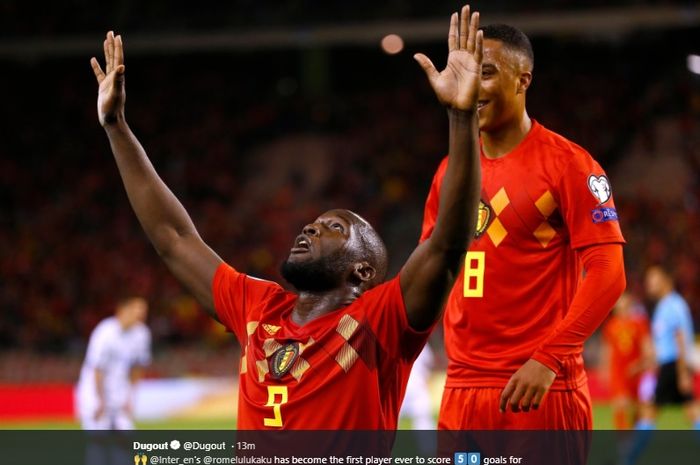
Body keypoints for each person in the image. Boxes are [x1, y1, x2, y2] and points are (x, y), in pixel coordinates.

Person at [90, 5, 483, 429]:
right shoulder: (258, 307)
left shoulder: (379, 323)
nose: (312, 226)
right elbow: (174, 238)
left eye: (336, 227)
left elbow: (447, 245)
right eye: (315, 221)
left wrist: (462, 118)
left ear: (362, 270)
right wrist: (116, 127)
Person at [420, 23, 626, 430]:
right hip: (461, 392)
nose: (472, 85)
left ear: (523, 80)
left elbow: (609, 273)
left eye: (487, 72)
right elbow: (429, 274)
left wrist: (550, 357)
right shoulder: (449, 173)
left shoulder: (570, 165)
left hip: (536, 389)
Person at [621, 266, 699, 464]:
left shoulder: (673, 305)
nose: (649, 284)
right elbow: (663, 345)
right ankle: (628, 458)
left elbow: (680, 338)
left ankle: (628, 459)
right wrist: (642, 364)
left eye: (653, 280)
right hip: (671, 365)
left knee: (649, 413)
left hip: (673, 367)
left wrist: (682, 373)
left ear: (666, 280)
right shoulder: (664, 306)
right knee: (692, 412)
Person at [76, 296, 151, 430]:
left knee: (127, 438)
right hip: (94, 391)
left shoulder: (142, 334)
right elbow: (97, 369)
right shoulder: (105, 332)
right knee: (98, 439)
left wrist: (130, 397)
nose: (141, 314)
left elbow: (137, 368)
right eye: (137, 309)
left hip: (119, 392)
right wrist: (99, 401)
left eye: (144, 311)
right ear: (123, 310)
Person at [600, 292, 653, 429]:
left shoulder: (639, 323)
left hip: (636, 371)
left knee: (638, 407)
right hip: (618, 371)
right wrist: (605, 369)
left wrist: (641, 364)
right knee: (620, 404)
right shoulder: (611, 326)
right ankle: (623, 440)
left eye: (624, 304)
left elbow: (646, 346)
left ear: (629, 305)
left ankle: (635, 434)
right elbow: (608, 350)